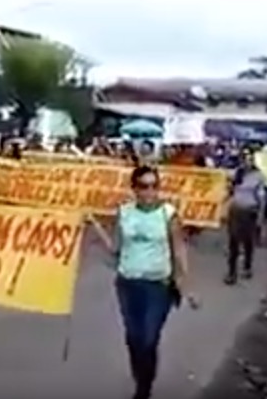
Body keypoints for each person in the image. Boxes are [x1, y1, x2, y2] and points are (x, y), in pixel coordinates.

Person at [91, 165, 199, 399]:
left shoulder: (168, 214)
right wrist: (96, 227)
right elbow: (116, 249)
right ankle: (141, 378)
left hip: (158, 286)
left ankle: (144, 387)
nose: (150, 191)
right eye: (144, 186)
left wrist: (186, 286)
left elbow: (179, 250)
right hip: (128, 284)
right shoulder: (124, 212)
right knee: (133, 338)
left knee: (148, 339)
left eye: (154, 186)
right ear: (134, 189)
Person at [224, 150, 264, 285]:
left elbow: (261, 197)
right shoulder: (237, 173)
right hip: (235, 210)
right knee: (233, 243)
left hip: (249, 211)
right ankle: (231, 272)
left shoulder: (259, 177)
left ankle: (247, 267)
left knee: (248, 242)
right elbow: (227, 189)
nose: (248, 162)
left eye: (251, 159)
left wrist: (260, 216)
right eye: (246, 159)